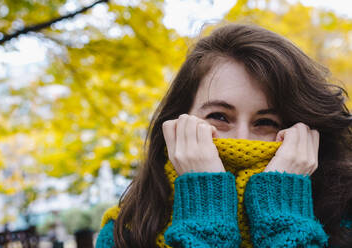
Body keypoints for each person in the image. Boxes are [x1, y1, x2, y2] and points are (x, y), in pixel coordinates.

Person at [95, 24, 352, 248]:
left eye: (265, 122)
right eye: (219, 116)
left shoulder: (344, 218)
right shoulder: (124, 232)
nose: (243, 139)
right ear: (177, 121)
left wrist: (283, 216)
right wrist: (206, 202)